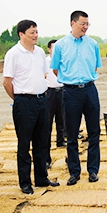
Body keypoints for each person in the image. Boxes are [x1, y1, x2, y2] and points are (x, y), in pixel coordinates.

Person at [3, 20, 60, 195]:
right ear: (21, 34)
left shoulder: (40, 52)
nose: (35, 35)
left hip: (42, 100)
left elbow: (43, 74)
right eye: (32, 32)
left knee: (42, 142)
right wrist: (19, 99)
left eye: (36, 32)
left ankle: (42, 178)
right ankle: (25, 182)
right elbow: (7, 82)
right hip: (24, 102)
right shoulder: (13, 54)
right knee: (24, 144)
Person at [50, 10, 102, 186]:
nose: (85, 27)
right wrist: (71, 80)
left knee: (94, 131)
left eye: (87, 24)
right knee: (71, 134)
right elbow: (55, 69)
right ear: (72, 23)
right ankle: (74, 172)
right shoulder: (60, 45)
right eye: (82, 24)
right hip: (70, 92)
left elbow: (95, 67)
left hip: (90, 90)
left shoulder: (93, 44)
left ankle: (93, 170)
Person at [45, 39, 66, 169]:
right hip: (50, 92)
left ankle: (60, 140)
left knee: (62, 118)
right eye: (54, 48)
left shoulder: (63, 61)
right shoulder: (45, 61)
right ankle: (46, 152)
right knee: (47, 122)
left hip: (62, 90)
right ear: (49, 49)